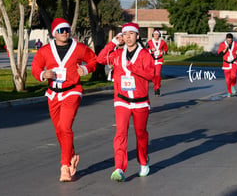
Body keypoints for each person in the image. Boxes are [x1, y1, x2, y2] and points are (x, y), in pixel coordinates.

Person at [31, 18, 97, 182]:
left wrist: (85, 68)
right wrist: (42, 74)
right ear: (54, 33)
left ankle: (65, 166)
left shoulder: (79, 48)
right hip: (53, 94)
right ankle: (71, 155)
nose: (65, 33)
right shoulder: (45, 50)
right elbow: (35, 67)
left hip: (72, 91)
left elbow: (93, 60)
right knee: (59, 130)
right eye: (61, 30)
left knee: (65, 126)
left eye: (67, 29)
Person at [97, 23, 155, 182]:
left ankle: (143, 161)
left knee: (140, 134)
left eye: (131, 34)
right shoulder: (116, 54)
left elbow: (151, 74)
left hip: (140, 102)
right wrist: (113, 42)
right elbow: (100, 58)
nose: (128, 37)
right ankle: (119, 168)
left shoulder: (144, 55)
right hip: (121, 100)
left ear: (137, 36)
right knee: (120, 133)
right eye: (125, 34)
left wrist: (134, 68)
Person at [217, 33, 237, 97]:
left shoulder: (235, 44)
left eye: (230, 40)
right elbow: (219, 54)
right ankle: (229, 92)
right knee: (227, 79)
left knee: (233, 76)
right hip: (226, 64)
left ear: (232, 39)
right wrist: (224, 50)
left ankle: (232, 86)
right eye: (228, 40)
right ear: (226, 39)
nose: (229, 42)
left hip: (233, 63)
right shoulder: (222, 44)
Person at [146, 30, 168, 96]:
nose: (156, 36)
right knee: (153, 75)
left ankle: (157, 88)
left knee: (157, 74)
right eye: (155, 34)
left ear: (159, 35)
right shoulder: (149, 42)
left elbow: (166, 49)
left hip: (159, 60)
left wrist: (163, 52)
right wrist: (150, 50)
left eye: (157, 34)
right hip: (152, 60)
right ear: (153, 35)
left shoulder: (162, 42)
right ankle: (156, 85)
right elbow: (145, 50)